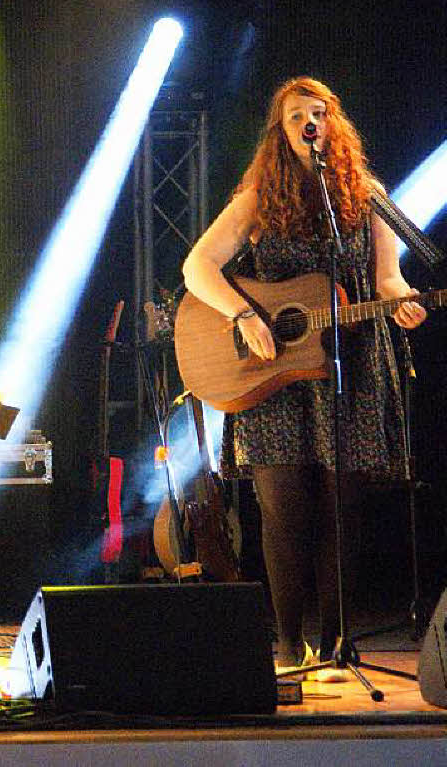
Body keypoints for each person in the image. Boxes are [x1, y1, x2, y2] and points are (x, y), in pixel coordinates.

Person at [182, 77, 426, 681]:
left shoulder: (365, 195)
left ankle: (338, 643)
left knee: (343, 508)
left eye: (319, 113)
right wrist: (242, 313)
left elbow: (387, 276)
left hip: (352, 361)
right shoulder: (259, 196)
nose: (310, 123)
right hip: (273, 374)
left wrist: (401, 300)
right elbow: (197, 267)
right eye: (297, 116)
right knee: (284, 507)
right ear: (281, 130)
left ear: (334, 125)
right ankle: (289, 646)